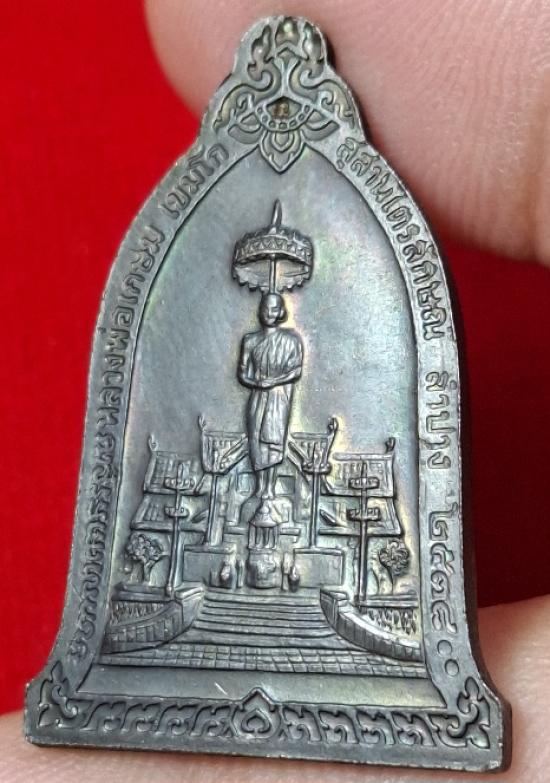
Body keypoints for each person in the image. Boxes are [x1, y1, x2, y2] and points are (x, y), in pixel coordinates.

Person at [3, 2, 550, 780]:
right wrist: (261, 372)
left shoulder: (285, 340)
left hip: (279, 408)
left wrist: (269, 371)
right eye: (260, 303)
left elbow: (275, 373)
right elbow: (253, 373)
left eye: (272, 303)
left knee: (276, 452)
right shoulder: (262, 339)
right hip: (261, 410)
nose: (266, 310)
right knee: (257, 459)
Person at [238, 292, 303, 512]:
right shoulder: (250, 341)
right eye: (265, 308)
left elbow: (296, 370)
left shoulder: (291, 341)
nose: (269, 313)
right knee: (256, 440)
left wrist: (274, 381)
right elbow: (242, 373)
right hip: (258, 396)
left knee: (273, 441)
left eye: (274, 308)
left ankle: (270, 488)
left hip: (278, 397)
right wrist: (256, 382)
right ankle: (259, 487)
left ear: (282, 312)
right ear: (260, 311)